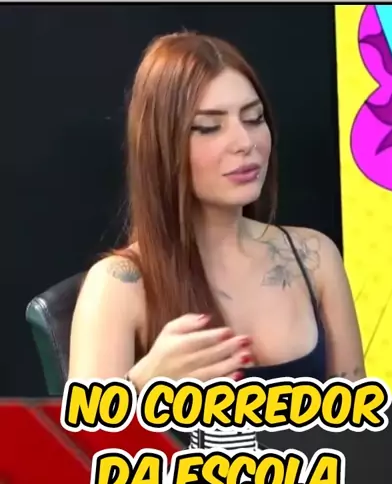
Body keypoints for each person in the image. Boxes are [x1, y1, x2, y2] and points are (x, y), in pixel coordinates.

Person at [69, 31, 365, 389]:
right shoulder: (117, 286)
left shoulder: (315, 258)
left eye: (254, 118)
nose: (245, 142)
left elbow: (359, 412)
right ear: (161, 145)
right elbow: (82, 427)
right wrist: (144, 385)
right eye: (209, 127)